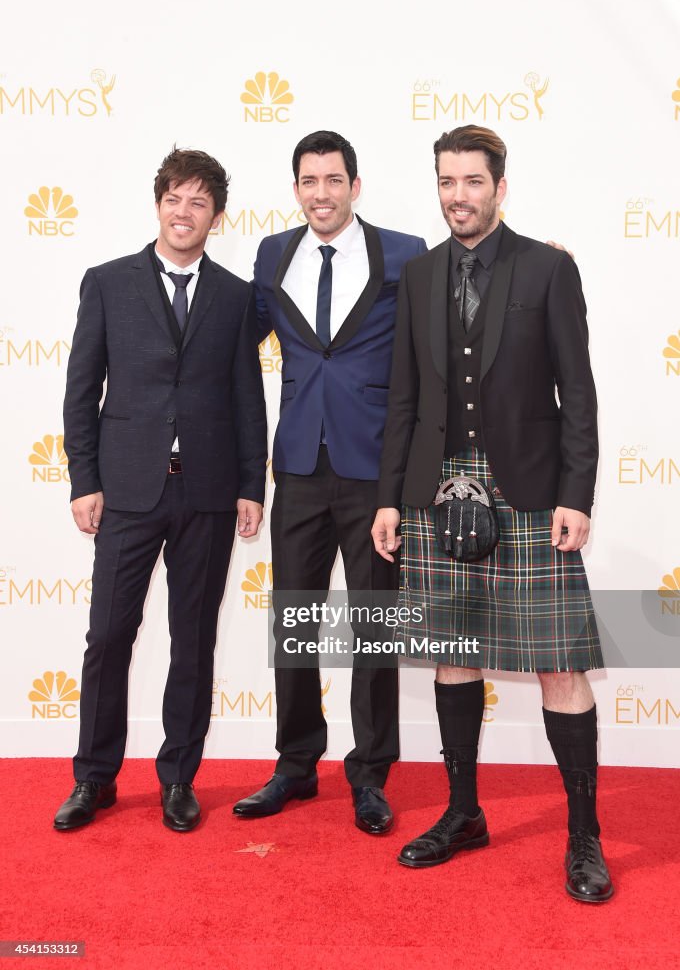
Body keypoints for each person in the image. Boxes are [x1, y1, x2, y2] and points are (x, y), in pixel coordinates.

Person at [371, 125, 612, 902]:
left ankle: (584, 837)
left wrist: (577, 492)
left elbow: (577, 390)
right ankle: (464, 812)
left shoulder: (547, 268)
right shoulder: (418, 275)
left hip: (532, 491)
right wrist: (391, 498)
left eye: (472, 182)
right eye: (447, 182)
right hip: (440, 490)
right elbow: (404, 397)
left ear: (500, 188)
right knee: (452, 651)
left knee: (559, 665)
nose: (458, 196)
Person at [54, 148, 267, 833]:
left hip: (205, 492)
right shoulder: (109, 283)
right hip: (127, 491)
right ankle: (94, 779)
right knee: (108, 635)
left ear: (216, 216)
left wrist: (248, 484)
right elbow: (82, 389)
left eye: (198, 202)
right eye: (175, 198)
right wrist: (84, 480)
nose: (184, 212)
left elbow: (246, 397)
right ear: (158, 204)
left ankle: (179, 777)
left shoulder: (235, 297)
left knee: (193, 640)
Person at [232, 131, 427, 833]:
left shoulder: (404, 253)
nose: (322, 192)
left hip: (377, 473)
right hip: (300, 469)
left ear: (355, 185)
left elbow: (442, 328)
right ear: (296, 189)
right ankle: (295, 764)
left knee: (374, 630)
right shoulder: (272, 253)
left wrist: (543, 269)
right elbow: (238, 337)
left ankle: (370, 773)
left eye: (334, 180)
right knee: (295, 623)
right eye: (309, 181)